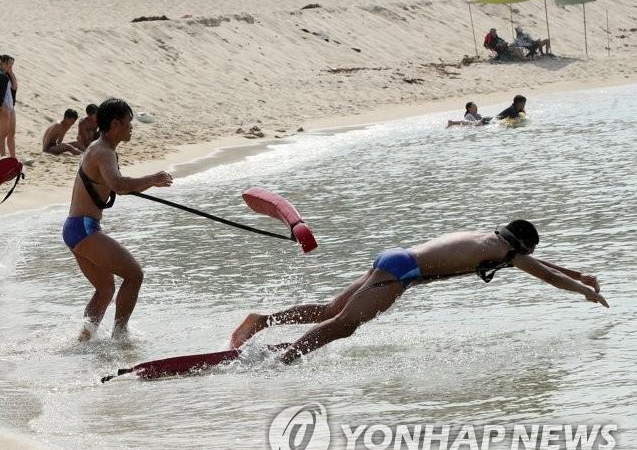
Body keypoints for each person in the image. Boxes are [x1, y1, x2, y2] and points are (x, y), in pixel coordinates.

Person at [231, 220, 608, 364]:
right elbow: (548, 276)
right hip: (404, 271)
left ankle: (260, 322)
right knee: (345, 324)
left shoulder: (493, 239)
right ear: (522, 247)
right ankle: (285, 359)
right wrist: (583, 291)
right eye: (528, 254)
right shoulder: (510, 253)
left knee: (331, 309)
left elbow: (545, 266)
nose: (527, 259)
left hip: (397, 257)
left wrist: (581, 274)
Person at [63, 98, 174, 340]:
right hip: (84, 228)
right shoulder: (103, 151)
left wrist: (147, 183)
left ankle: (84, 339)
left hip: (75, 228)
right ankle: (120, 336)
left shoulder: (99, 149)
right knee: (134, 275)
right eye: (129, 122)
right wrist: (152, 178)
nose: (132, 127)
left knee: (105, 290)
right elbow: (119, 185)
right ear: (115, 124)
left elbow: (117, 186)